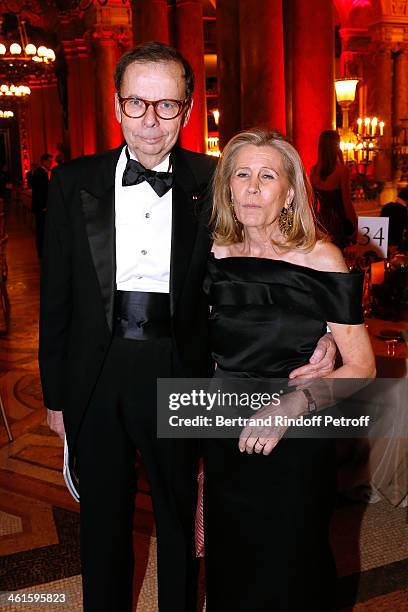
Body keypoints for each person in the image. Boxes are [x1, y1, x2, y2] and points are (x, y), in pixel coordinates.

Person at [40, 43, 336, 612]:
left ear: (189, 108)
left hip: (181, 370)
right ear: (117, 106)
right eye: (137, 103)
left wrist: (318, 327)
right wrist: (56, 394)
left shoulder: (217, 179)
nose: (151, 120)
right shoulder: (72, 181)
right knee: (102, 521)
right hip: (94, 374)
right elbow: (57, 299)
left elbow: (269, 252)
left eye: (167, 105)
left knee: (177, 518)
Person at [202, 128, 376, 612]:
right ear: (228, 189)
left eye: (267, 175)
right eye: (241, 174)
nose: (253, 187)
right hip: (224, 433)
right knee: (231, 565)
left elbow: (362, 365)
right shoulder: (210, 255)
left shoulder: (320, 258)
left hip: (297, 439)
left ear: (290, 191)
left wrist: (296, 401)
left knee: (292, 564)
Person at [311, 129, 357, 248]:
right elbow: (347, 202)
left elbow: (312, 202)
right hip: (338, 222)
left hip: (321, 222)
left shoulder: (314, 170)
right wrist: (356, 226)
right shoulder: (342, 170)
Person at [32, 153, 53, 258]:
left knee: (42, 230)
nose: (51, 164)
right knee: (41, 230)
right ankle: (42, 252)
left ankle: (42, 252)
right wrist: (44, 206)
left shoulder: (40, 173)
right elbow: (41, 192)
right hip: (41, 208)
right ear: (44, 161)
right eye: (49, 161)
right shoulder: (41, 174)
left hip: (40, 207)